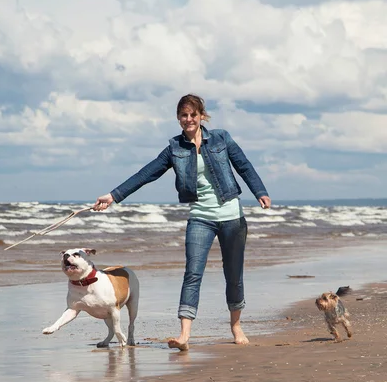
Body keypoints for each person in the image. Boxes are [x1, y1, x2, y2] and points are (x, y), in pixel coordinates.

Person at [94, 95, 271, 350]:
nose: (188, 120)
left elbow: (244, 166)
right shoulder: (174, 149)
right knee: (192, 273)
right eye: (183, 115)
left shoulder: (222, 138)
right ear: (179, 118)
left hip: (232, 215)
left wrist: (260, 192)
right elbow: (146, 174)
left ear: (201, 116)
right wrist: (113, 196)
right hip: (200, 216)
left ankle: (235, 325)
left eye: (193, 115)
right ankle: (184, 335)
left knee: (233, 276)